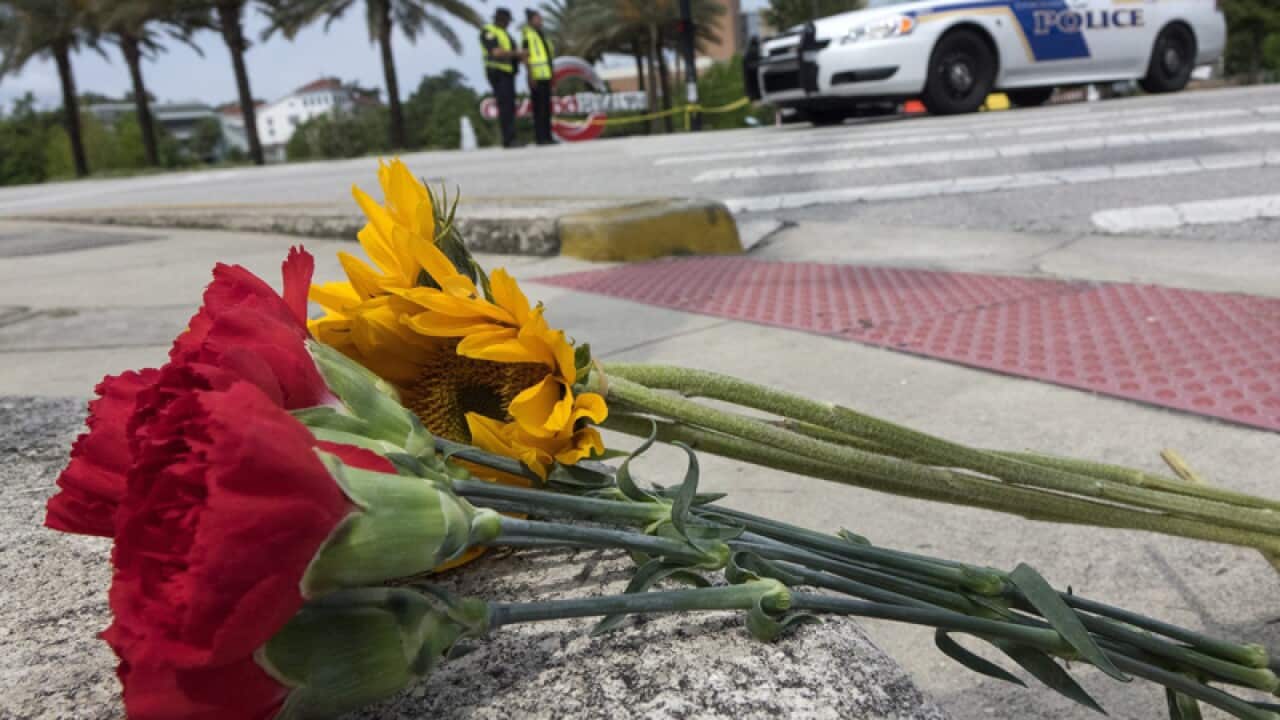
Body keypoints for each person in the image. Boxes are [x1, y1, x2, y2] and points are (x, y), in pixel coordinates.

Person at [481, 8, 525, 148]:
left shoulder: (505, 33)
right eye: (507, 21)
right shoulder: (489, 31)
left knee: (510, 106)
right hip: (497, 73)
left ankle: (512, 137)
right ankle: (508, 139)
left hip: (508, 74)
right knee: (505, 106)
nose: (508, 24)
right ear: (501, 19)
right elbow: (496, 52)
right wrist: (517, 54)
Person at [521, 9, 555, 146]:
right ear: (530, 21)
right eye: (537, 18)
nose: (540, 20)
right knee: (539, 109)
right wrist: (530, 76)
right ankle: (540, 138)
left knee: (547, 108)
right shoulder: (527, 35)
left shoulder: (543, 36)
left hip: (546, 76)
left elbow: (548, 57)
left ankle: (548, 136)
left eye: (540, 18)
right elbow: (525, 56)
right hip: (536, 77)